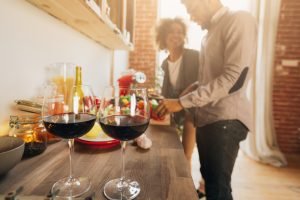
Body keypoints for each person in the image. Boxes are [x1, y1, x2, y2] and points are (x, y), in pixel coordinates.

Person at [156, 0, 258, 199]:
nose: (192, 18)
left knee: (218, 189)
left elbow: (234, 78)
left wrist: (182, 102)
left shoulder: (239, 20)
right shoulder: (209, 34)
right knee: (211, 184)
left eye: (192, 9)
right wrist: (189, 91)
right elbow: (207, 80)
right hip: (207, 119)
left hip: (225, 120)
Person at [155, 18, 199, 171]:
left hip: (194, 111)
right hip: (178, 112)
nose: (176, 35)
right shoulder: (165, 63)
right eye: (172, 31)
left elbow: (200, 86)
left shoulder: (194, 56)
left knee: (185, 156)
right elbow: (166, 94)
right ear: (163, 35)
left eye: (180, 32)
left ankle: (185, 177)